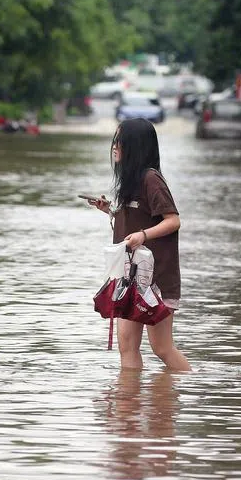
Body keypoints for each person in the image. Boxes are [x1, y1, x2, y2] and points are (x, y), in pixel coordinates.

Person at [87, 119, 191, 372]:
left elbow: (173, 220)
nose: (114, 147)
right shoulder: (129, 183)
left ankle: (189, 385)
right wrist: (110, 210)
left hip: (154, 279)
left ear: (133, 146)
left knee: (162, 348)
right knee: (127, 345)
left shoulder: (151, 179)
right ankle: (128, 404)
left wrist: (143, 235)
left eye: (119, 141)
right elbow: (134, 220)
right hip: (128, 278)